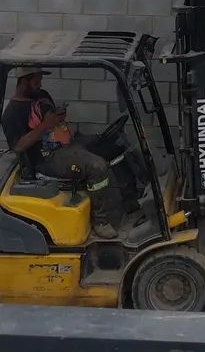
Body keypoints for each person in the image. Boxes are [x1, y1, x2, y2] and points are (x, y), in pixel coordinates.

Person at [1, 66, 121, 239]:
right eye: (36, 80)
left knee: (114, 141)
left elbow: (51, 118)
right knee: (97, 166)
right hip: (47, 158)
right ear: (24, 81)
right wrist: (45, 125)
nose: (40, 84)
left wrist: (58, 116)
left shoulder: (41, 95)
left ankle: (131, 202)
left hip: (69, 144)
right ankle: (100, 221)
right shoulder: (12, 113)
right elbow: (18, 147)